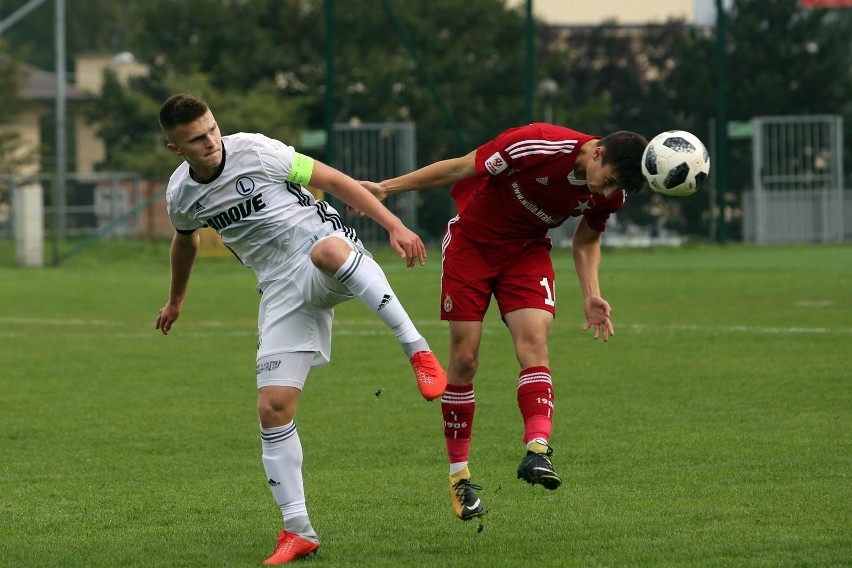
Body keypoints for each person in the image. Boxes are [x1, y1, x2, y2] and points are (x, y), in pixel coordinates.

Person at [154, 93, 447, 564]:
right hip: (278, 289)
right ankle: (298, 530)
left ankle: (417, 350)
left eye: (211, 129)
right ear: (176, 149)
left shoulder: (255, 150)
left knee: (327, 252)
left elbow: (331, 179)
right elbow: (183, 242)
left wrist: (393, 225)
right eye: (196, 139)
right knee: (272, 408)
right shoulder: (181, 194)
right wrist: (175, 300)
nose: (211, 142)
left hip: (323, 249)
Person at [359, 123, 647, 521]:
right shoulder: (539, 144)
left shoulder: (609, 193)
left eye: (617, 189)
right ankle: (459, 476)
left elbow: (586, 239)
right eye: (609, 182)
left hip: (526, 253)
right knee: (464, 360)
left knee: (535, 344)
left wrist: (591, 294)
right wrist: (386, 189)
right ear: (597, 153)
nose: (607, 193)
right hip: (471, 246)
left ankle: (538, 451)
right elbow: (461, 168)